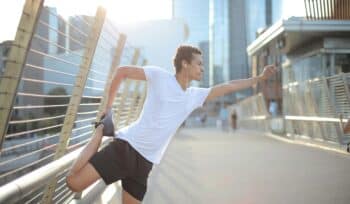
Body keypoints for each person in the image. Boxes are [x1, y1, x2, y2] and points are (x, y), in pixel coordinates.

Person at [65, 45, 277, 204]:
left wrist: (258, 78)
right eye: (199, 64)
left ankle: (102, 132)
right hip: (126, 148)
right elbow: (122, 71)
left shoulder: (195, 95)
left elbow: (229, 86)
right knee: (73, 183)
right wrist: (108, 109)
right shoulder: (159, 76)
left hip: (145, 164)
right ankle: (100, 132)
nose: (202, 68)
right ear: (185, 63)